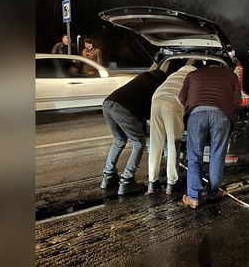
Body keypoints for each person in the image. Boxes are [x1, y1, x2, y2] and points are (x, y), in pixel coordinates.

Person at [178, 64, 241, 208]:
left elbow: (181, 96)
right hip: (221, 115)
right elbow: (237, 102)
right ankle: (213, 193)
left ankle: (193, 197)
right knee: (217, 155)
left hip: (196, 114)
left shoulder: (193, 74)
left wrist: (190, 106)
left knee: (194, 156)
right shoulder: (231, 76)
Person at [100, 69, 168, 195]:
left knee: (119, 140)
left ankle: (108, 177)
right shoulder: (157, 88)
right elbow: (149, 113)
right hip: (124, 109)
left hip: (108, 103)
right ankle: (127, 180)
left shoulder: (144, 76)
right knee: (139, 143)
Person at [146, 62, 197, 195]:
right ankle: (171, 183)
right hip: (173, 104)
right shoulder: (192, 78)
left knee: (155, 144)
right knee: (173, 144)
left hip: (156, 100)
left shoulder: (174, 75)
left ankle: (152, 183)